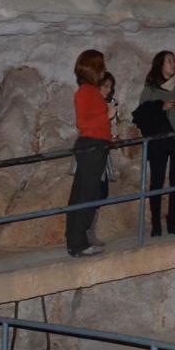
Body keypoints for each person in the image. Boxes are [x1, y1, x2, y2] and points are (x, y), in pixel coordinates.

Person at [138, 52, 175, 236]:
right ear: (160, 65)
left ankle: (172, 221)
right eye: (169, 60)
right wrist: (161, 107)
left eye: (174, 60)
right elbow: (141, 113)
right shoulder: (151, 88)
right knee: (156, 182)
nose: (173, 63)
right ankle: (156, 224)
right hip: (159, 141)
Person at [65, 50, 112, 258]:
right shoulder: (86, 91)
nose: (104, 69)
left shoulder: (90, 91)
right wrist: (107, 115)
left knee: (85, 194)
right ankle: (78, 243)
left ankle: (77, 242)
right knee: (86, 195)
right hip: (91, 146)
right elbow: (83, 123)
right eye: (101, 65)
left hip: (96, 146)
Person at [85, 71, 120, 248]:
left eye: (110, 87)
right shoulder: (91, 104)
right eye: (105, 86)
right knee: (92, 194)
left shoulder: (104, 105)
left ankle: (90, 232)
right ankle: (86, 234)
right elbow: (87, 126)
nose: (108, 90)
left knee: (101, 192)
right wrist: (107, 116)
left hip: (102, 154)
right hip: (92, 155)